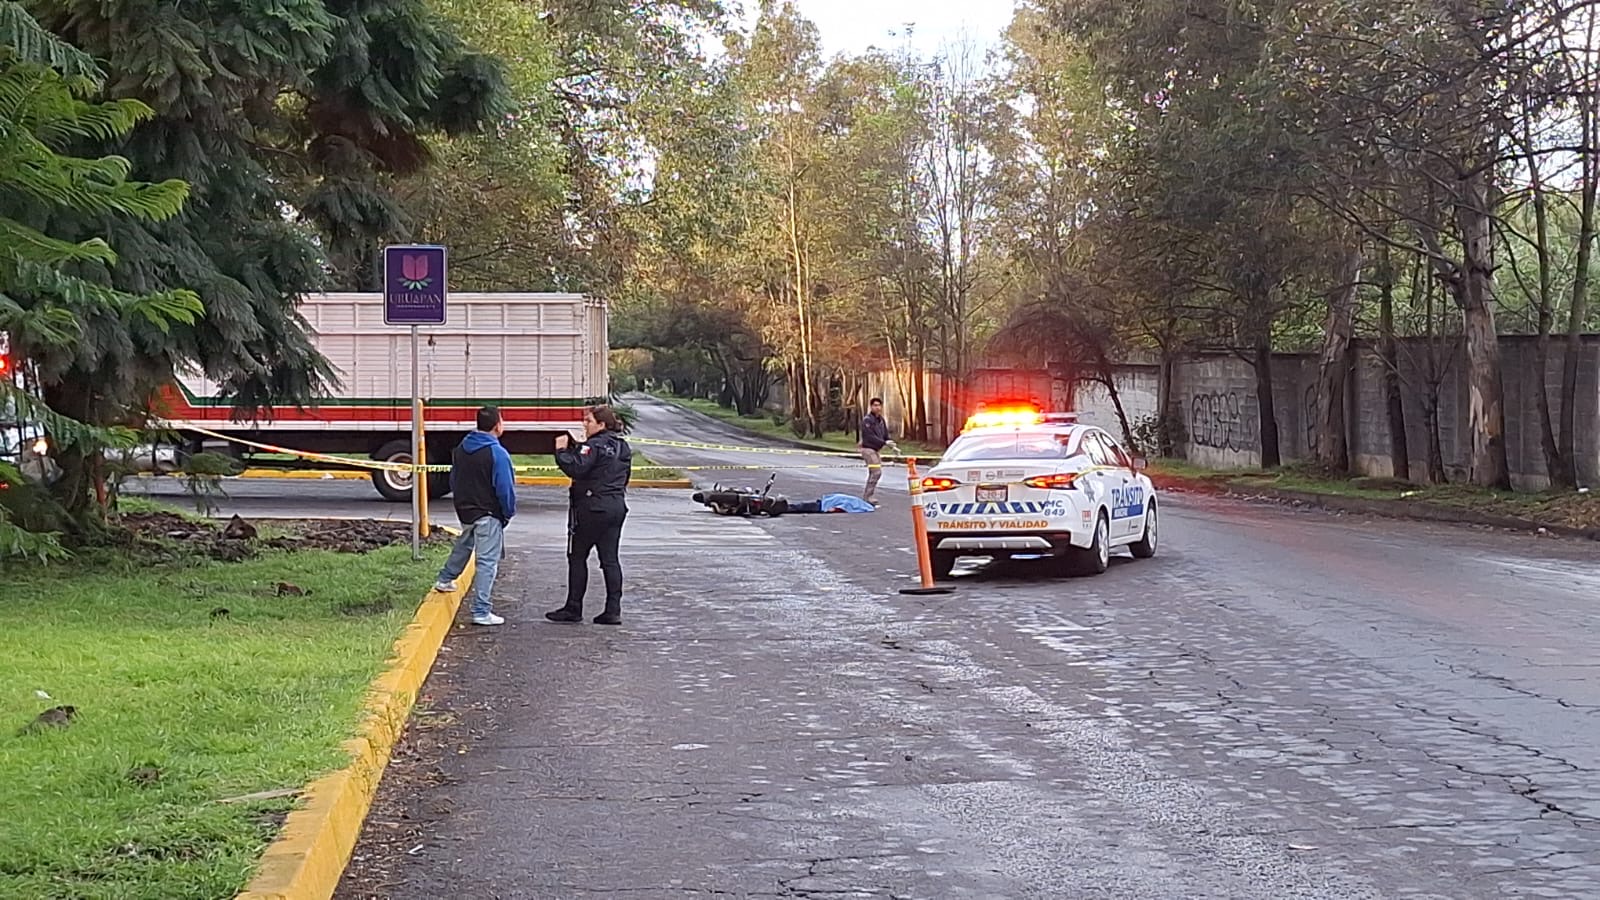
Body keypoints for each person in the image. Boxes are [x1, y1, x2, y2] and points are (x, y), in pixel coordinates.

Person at [546, 405, 632, 625]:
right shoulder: (623, 447)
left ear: (601, 425)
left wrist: (561, 451)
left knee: (577, 557)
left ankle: (573, 607)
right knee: (610, 559)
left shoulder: (593, 446)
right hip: (615, 506)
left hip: (591, 508)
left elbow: (577, 468)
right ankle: (613, 609)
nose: (585, 424)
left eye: (589, 421)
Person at [434, 406, 517, 626]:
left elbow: (454, 479)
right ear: (498, 426)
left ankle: (445, 578)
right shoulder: (497, 453)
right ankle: (481, 610)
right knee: (487, 561)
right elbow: (505, 488)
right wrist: (507, 512)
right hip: (488, 512)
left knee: (465, 544)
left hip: (466, 510)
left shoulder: (462, 448)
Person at [858, 397, 897, 506]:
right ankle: (868, 496)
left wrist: (890, 443)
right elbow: (869, 437)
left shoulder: (881, 420)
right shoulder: (867, 420)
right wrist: (884, 443)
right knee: (876, 472)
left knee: (874, 472)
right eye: (875, 405)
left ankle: (867, 496)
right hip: (867, 448)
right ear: (871, 407)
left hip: (876, 449)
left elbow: (885, 435)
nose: (877, 408)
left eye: (879, 405)